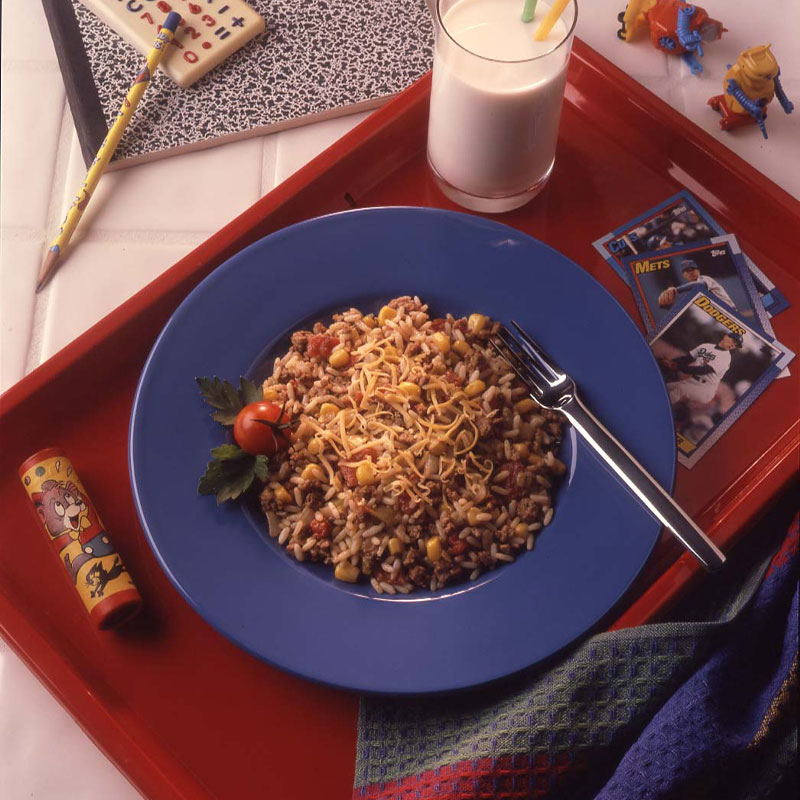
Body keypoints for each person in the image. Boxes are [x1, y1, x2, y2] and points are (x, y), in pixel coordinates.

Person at [662, 332, 742, 407]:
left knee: (680, 390)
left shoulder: (726, 358)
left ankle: (660, 407)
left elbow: (703, 370)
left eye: (735, 345)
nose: (732, 345)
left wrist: (677, 366)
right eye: (733, 341)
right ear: (726, 336)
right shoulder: (706, 346)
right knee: (666, 387)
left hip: (706, 389)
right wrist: (670, 362)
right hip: (692, 381)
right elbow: (687, 359)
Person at [658, 259, 735, 309]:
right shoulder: (691, 290)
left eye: (693, 269)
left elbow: (699, 285)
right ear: (684, 275)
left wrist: (676, 290)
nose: (691, 272)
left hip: (730, 310)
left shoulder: (705, 279)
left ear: (698, 271)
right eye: (687, 271)